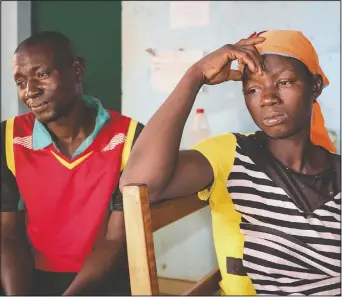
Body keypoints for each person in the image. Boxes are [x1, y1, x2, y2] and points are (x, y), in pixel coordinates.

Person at [120, 30, 340, 295]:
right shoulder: (232, 154)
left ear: (314, 86)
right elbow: (140, 183)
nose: (268, 98)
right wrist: (195, 76)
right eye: (253, 89)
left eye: (284, 82)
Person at [0, 31, 144, 296]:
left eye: (41, 74)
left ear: (77, 70)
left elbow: (116, 239)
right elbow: (7, 234)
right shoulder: (9, 138)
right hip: (28, 278)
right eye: (21, 81)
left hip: (107, 280)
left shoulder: (129, 137)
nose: (30, 91)